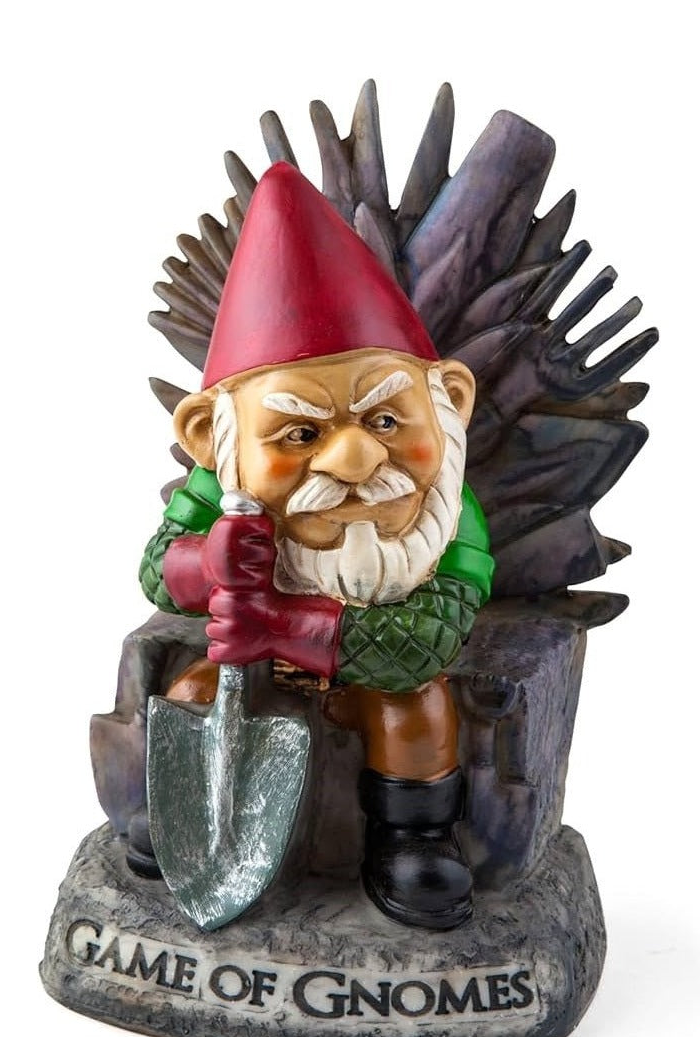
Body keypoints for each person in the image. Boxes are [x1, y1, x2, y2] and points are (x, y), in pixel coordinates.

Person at [139, 163, 494, 929]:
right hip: (256, 670)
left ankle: (412, 836)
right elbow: (157, 573)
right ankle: (184, 811)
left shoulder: (445, 513)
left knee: (417, 713)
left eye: (387, 421)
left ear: (450, 402)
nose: (356, 460)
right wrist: (205, 561)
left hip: (373, 671)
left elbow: (425, 641)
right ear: (209, 436)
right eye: (300, 433)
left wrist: (282, 624)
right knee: (192, 694)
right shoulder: (219, 484)